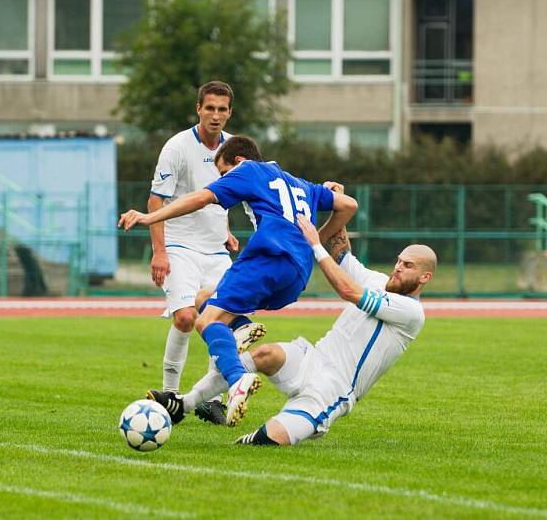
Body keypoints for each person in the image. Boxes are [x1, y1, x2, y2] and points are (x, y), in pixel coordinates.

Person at [151, 183, 437, 446]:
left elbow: (349, 292)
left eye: (407, 265)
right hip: (313, 358)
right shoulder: (376, 280)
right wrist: (336, 204)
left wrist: (314, 243)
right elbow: (341, 253)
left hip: (334, 389)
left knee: (264, 441)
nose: (398, 267)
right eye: (399, 261)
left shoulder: (411, 313)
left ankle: (294, 425)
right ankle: (183, 404)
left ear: (424, 277)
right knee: (266, 355)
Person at [119, 136, 358, 426]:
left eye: (223, 173)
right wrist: (314, 242)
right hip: (296, 276)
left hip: (268, 257)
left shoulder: (248, 171)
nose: (223, 179)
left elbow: (202, 198)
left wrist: (150, 217)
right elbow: (348, 205)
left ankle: (238, 379)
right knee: (203, 298)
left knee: (205, 321)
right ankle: (240, 328)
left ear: (239, 162)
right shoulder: (300, 183)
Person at [146, 81, 264, 425]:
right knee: (185, 317)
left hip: (215, 251)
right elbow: (157, 199)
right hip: (179, 245)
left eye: (222, 109)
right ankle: (169, 396)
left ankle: (208, 399)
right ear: (198, 108)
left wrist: (228, 232)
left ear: (230, 113)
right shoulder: (177, 146)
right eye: (209, 108)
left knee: (222, 319)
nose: (216, 115)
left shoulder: (235, 150)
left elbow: (245, 197)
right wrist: (159, 252)